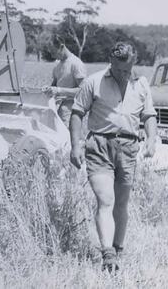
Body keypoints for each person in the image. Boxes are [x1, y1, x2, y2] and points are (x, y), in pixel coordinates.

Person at [69, 42, 158, 272]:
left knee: (121, 203)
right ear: (111, 62)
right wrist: (75, 146)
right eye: (119, 70)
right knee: (105, 199)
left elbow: (149, 115)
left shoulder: (142, 84)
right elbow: (77, 113)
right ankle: (107, 253)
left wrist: (151, 140)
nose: (123, 75)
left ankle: (118, 249)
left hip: (128, 147)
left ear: (133, 64)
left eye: (127, 70)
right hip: (99, 145)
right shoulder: (93, 82)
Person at [42, 36, 86, 124]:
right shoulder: (57, 65)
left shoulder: (76, 64)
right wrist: (48, 89)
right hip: (56, 108)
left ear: (61, 47)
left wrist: (59, 90)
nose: (52, 55)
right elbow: (54, 85)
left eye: (53, 52)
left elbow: (83, 91)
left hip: (70, 111)